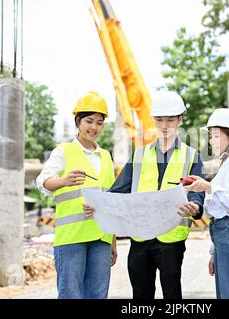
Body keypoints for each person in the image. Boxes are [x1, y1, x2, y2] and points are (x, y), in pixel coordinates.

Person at [87, 90, 205, 299]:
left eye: (170, 120)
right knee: (141, 296)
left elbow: (196, 192)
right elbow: (118, 190)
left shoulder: (191, 155)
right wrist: (99, 204)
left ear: (179, 120)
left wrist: (195, 207)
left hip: (171, 239)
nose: (165, 125)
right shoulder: (140, 155)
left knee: (172, 295)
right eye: (159, 120)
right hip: (140, 237)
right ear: (154, 121)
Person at [36, 91, 117, 299]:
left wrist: (113, 242)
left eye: (99, 122)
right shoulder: (63, 151)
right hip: (72, 238)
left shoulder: (106, 157)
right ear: (78, 121)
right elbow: (42, 182)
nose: (94, 127)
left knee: (98, 295)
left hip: (101, 237)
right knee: (71, 294)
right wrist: (63, 181)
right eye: (89, 121)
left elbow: (111, 199)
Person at [184, 108, 229, 299]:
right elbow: (221, 210)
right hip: (225, 236)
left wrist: (208, 187)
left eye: (216, 136)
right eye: (210, 136)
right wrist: (214, 251)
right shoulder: (227, 164)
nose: (211, 141)